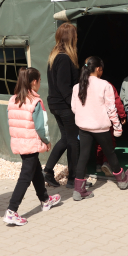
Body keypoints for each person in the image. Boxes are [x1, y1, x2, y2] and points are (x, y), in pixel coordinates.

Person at [3, 67, 62, 226]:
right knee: (26, 176)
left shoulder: (13, 99)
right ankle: (11, 211)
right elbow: (41, 126)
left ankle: (45, 200)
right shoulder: (35, 101)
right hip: (30, 142)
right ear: (34, 82)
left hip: (20, 142)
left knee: (35, 169)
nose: (40, 84)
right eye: (40, 81)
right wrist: (47, 140)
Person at [71, 56, 128, 200]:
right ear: (99, 69)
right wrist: (118, 127)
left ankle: (78, 190)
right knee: (110, 153)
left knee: (83, 156)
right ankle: (122, 180)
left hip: (84, 126)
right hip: (101, 127)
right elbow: (111, 109)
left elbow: (74, 108)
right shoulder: (105, 85)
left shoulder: (77, 86)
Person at [42, 22, 80, 189]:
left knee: (66, 139)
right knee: (73, 141)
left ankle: (48, 171)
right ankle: (73, 179)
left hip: (55, 103)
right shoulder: (64, 58)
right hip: (64, 105)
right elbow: (64, 86)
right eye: (76, 35)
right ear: (72, 37)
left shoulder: (54, 55)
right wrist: (75, 105)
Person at [95, 81, 126, 173]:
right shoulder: (108, 85)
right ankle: (106, 162)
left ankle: (98, 164)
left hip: (94, 119)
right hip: (107, 118)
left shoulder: (84, 84)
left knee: (98, 142)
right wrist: (122, 115)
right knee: (109, 141)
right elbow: (116, 100)